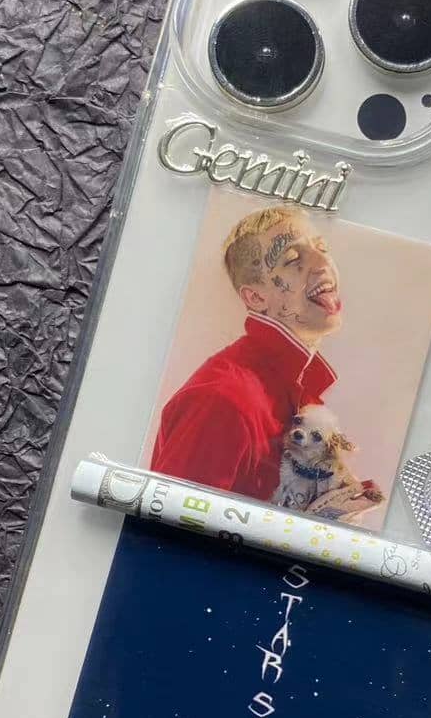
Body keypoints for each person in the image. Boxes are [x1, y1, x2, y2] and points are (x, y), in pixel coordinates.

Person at [151, 204, 377, 515]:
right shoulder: (223, 399)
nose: (323, 263)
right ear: (256, 297)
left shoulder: (295, 392)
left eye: (322, 248)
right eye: (293, 260)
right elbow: (166, 530)